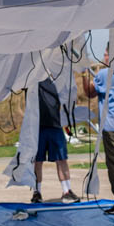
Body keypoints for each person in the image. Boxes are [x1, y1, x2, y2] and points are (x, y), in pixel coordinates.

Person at [79, 56, 114, 213]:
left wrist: (83, 74)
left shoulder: (104, 74)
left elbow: (89, 93)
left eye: (107, 53)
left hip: (112, 124)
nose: (104, 57)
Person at [31, 75, 76, 204]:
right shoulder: (33, 78)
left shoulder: (60, 78)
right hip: (38, 127)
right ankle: (36, 192)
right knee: (37, 161)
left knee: (61, 159)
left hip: (55, 126)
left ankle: (67, 191)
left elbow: (68, 100)